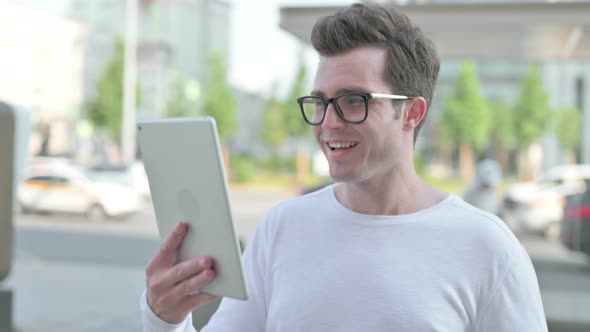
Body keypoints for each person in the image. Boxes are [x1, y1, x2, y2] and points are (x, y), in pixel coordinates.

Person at [141, 2, 547, 331]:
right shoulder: (281, 228)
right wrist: (163, 319)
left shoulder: (488, 249)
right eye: (320, 101)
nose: (328, 122)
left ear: (410, 113)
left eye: (354, 100)